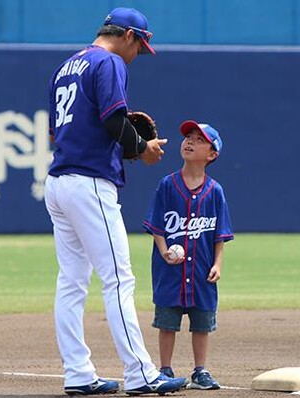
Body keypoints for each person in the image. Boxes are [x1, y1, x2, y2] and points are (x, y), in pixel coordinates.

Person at [44, 7, 187, 396]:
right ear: (126, 35)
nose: (136, 54)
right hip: (89, 186)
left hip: (58, 183)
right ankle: (141, 373)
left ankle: (77, 373)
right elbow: (111, 120)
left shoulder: (65, 67)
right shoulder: (108, 62)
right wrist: (141, 149)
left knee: (72, 282)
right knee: (118, 278)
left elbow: (64, 132)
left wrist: (128, 149)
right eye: (138, 46)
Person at [143, 120, 234, 390]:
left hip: (202, 270)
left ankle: (200, 371)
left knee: (202, 323)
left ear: (212, 154)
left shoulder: (215, 191)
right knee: (167, 323)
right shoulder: (167, 185)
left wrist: (218, 264)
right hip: (169, 271)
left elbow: (220, 233)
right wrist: (163, 252)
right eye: (188, 137)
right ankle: (166, 369)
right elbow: (157, 225)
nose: (190, 141)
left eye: (199, 139)